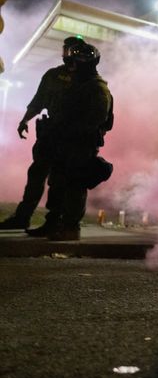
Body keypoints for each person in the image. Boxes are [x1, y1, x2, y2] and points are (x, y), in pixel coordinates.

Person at [0, 36, 83, 231]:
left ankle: (53, 221)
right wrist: (25, 120)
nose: (67, 53)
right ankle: (23, 217)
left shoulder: (87, 80)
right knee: (36, 176)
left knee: (59, 181)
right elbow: (39, 101)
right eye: (66, 49)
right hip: (49, 134)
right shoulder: (52, 75)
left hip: (68, 138)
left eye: (71, 49)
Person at [43, 42, 113, 241]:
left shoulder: (97, 88)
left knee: (74, 185)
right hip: (66, 143)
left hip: (80, 145)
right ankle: (57, 223)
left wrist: (68, 130)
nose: (72, 66)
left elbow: (95, 120)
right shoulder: (78, 85)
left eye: (77, 63)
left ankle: (70, 227)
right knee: (59, 182)